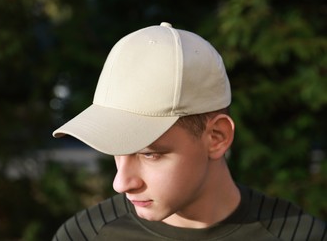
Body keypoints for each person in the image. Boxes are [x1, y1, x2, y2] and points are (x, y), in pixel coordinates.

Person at [51, 22, 326, 240]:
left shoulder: (299, 236)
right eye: (117, 150)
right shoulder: (83, 236)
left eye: (149, 154)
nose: (121, 183)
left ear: (217, 138)